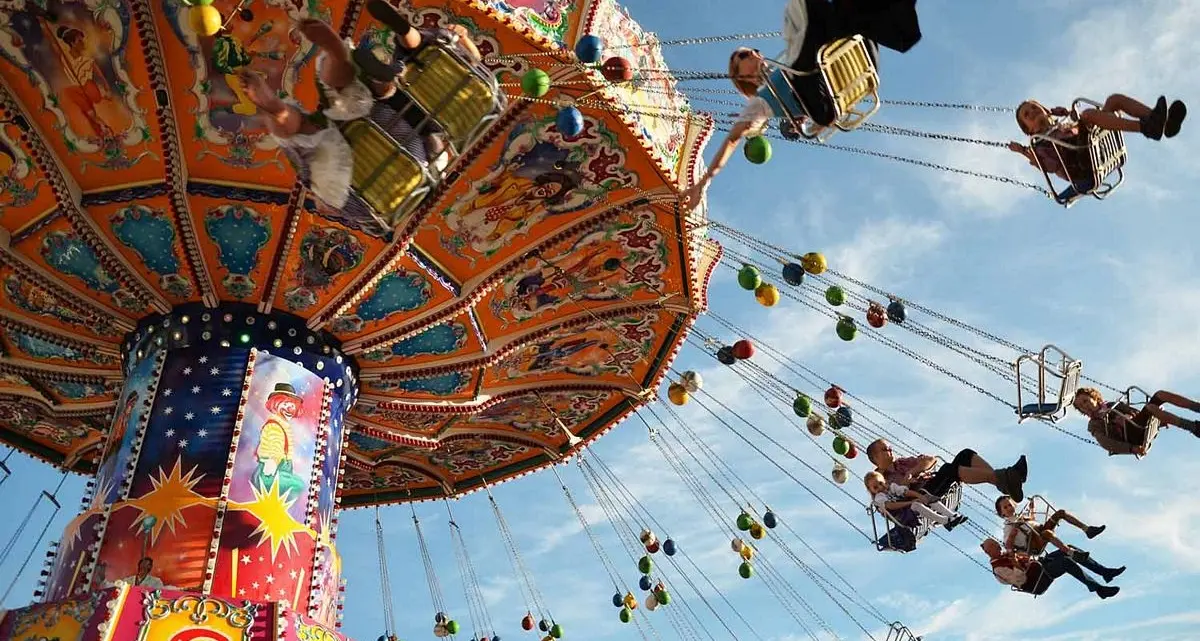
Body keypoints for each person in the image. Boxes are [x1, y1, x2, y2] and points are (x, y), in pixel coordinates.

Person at [240, 0, 480, 210]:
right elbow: (474, 59)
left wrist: (463, 38)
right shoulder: (431, 162)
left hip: (393, 148)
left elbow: (475, 60)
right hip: (393, 160)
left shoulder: (436, 152)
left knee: (415, 62)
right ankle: (290, 99)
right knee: (318, 124)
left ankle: (373, 65)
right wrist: (463, 39)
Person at [682, 0, 921, 211]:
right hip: (814, 87)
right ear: (741, 76)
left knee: (852, 8)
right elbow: (733, 139)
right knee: (795, 9)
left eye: (753, 50)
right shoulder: (761, 101)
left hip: (848, 59)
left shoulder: (782, 61)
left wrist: (809, 124)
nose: (753, 53)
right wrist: (704, 183)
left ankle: (901, 30)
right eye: (743, 56)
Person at [1007, 96, 1187, 188]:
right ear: (1028, 129)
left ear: (1044, 109)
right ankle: (1146, 127)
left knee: (1113, 100)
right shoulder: (1039, 145)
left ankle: (1160, 122)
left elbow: (1081, 128)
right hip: (1080, 166)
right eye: (1027, 115)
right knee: (1088, 116)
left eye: (1034, 107)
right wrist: (1023, 151)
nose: (1032, 112)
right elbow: (1044, 166)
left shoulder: (1065, 124)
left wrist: (1066, 114)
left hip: (1093, 147)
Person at [866, 438, 1028, 502]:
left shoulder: (903, 462)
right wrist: (906, 483)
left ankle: (1005, 482)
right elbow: (888, 501)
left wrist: (912, 471)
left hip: (931, 481)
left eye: (889, 447)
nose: (890, 450)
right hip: (922, 493)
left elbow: (931, 460)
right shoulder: (878, 479)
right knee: (950, 469)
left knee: (965, 454)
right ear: (875, 458)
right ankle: (1006, 479)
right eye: (885, 449)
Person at [1072, 387, 1200, 456]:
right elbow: (1106, 443)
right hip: (1130, 436)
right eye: (1081, 407)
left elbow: (1135, 413)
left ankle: (1196, 407)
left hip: (1136, 424)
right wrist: (1131, 449)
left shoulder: (1112, 405)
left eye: (1085, 401)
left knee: (1160, 395)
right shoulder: (1095, 424)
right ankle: (1193, 427)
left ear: (1094, 398)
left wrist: (1159, 418)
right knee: (1150, 408)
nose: (1085, 406)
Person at [981, 539, 1122, 599]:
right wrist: (1016, 562)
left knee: (1068, 549)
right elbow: (1021, 579)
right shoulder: (999, 569)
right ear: (988, 552)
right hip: (1037, 579)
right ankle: (1099, 589)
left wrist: (1022, 556)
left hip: (1039, 566)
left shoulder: (1006, 554)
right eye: (995, 546)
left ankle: (1105, 572)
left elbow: (1027, 557)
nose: (999, 547)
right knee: (1065, 562)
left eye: (997, 544)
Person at [995, 495, 1104, 556]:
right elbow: (1007, 544)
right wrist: (1013, 535)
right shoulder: (1009, 525)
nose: (1009, 508)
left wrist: (1032, 509)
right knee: (1047, 533)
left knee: (1060, 513)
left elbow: (1031, 521)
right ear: (1002, 513)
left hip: (1039, 530)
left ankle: (1087, 530)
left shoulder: (1020, 517)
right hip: (1033, 543)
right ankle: (1071, 553)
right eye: (1005, 507)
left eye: (1010, 505)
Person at [864, 470, 967, 531]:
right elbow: (890, 506)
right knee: (916, 505)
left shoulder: (892, 487)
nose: (880, 488)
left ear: (884, 481)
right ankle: (944, 520)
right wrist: (910, 502)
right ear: (871, 490)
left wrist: (920, 497)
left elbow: (906, 492)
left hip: (908, 508)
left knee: (926, 497)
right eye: (875, 487)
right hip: (901, 516)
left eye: (880, 483)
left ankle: (951, 515)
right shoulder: (879, 498)